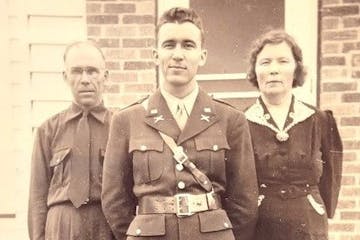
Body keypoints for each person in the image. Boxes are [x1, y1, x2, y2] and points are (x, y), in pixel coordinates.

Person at [101, 7, 258, 240]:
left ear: (202, 56)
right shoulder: (127, 120)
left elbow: (244, 202)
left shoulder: (230, 119)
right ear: (156, 55)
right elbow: (114, 201)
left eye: (188, 45)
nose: (178, 54)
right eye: (169, 45)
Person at [245, 30, 343, 240]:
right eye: (265, 62)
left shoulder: (319, 119)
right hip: (261, 226)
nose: (274, 70)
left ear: (296, 68)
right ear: (254, 70)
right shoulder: (241, 122)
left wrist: (318, 208)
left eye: (283, 61)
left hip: (309, 225)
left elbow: (330, 178)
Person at [28, 40, 114, 240]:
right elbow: (37, 198)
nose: (85, 79)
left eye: (92, 71)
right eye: (76, 71)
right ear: (65, 77)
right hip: (60, 228)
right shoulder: (47, 130)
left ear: (105, 76)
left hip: (106, 227)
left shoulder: (120, 127)